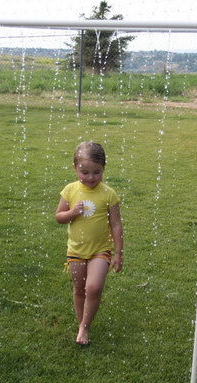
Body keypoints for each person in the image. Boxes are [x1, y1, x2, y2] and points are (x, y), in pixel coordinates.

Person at [55, 141, 124, 346]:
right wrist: (72, 212)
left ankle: (85, 326)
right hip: (76, 249)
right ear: (75, 168)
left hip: (100, 250)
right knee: (79, 289)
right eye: (85, 172)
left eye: (97, 172)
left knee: (93, 287)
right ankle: (81, 323)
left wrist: (118, 253)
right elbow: (59, 217)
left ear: (104, 168)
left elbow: (116, 225)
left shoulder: (109, 194)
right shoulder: (69, 190)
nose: (91, 178)